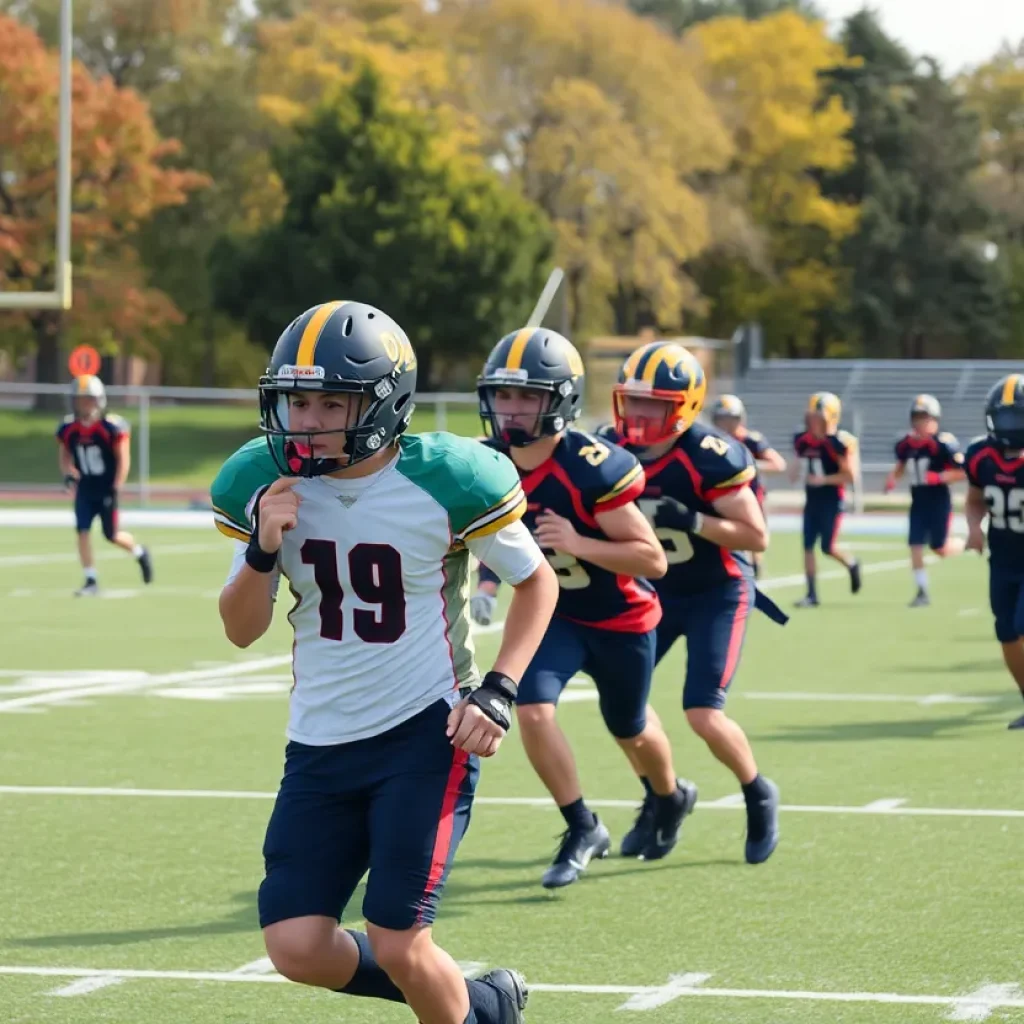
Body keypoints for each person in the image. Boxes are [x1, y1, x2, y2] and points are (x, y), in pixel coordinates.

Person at [212, 301, 559, 1024]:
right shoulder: (263, 482)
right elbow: (241, 630)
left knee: (400, 938)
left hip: (424, 732)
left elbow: (537, 582)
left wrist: (498, 689)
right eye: (295, 401)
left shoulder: (448, 479)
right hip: (320, 741)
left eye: (329, 402)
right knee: (297, 946)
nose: (305, 421)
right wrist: (260, 550)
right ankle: (481, 1004)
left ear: (382, 402)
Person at [470, 326, 695, 888]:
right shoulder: (487, 463)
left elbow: (652, 560)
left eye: (527, 396)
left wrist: (578, 542)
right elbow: (496, 539)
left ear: (561, 400)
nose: (511, 409)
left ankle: (669, 797)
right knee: (531, 708)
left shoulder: (593, 465)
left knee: (631, 727)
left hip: (622, 620)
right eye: (503, 394)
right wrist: (488, 587)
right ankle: (581, 825)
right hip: (556, 616)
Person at [603, 341, 782, 865]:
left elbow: (755, 536)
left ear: (683, 405)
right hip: (652, 594)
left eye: (652, 403)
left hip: (715, 592)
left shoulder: (710, 454)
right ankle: (662, 799)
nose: (637, 414)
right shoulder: (607, 450)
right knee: (625, 711)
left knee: (702, 712)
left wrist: (696, 521)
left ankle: (755, 791)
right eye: (632, 400)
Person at [56, 374, 152, 596]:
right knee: (82, 531)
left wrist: (117, 485)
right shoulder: (69, 428)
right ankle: (91, 579)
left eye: (88, 399)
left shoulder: (110, 427)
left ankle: (139, 552)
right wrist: (68, 473)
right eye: (80, 399)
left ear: (98, 400)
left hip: (106, 487)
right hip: (86, 488)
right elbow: (64, 455)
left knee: (112, 535)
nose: (84, 404)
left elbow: (123, 458)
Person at [965, 374, 1024, 730]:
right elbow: (974, 501)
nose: (1011, 426)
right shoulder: (980, 456)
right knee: (1006, 630)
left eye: (1017, 417)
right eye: (1005, 418)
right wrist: (974, 527)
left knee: (1022, 623)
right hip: (1002, 557)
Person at [884, 395, 966, 607]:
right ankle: (922, 591)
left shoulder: (943, 444)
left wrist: (939, 477)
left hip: (939, 499)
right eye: (917, 418)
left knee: (939, 548)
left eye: (925, 418)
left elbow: (962, 472)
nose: (921, 423)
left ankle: (968, 542)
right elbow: (901, 464)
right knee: (915, 545)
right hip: (918, 500)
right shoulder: (905, 444)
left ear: (935, 419)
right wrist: (893, 479)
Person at [790, 392, 861, 607]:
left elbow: (850, 475)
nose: (813, 421)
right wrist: (795, 469)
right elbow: (793, 469)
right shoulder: (803, 440)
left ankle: (852, 564)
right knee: (808, 545)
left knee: (828, 547)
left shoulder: (839, 442)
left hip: (832, 499)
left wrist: (824, 480)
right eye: (811, 417)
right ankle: (812, 594)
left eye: (818, 417)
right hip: (812, 499)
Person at [709, 394, 787, 578]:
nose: (726, 424)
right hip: (722, 498)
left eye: (730, 418)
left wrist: (749, 465)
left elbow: (778, 464)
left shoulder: (751, 440)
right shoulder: (711, 441)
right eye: (721, 419)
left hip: (750, 496)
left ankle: (755, 572)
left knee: (754, 539)